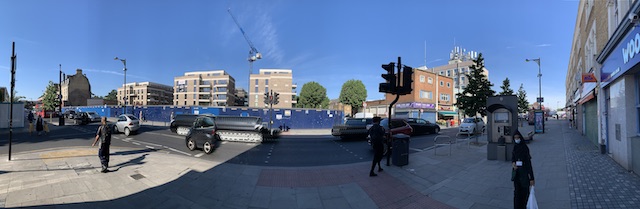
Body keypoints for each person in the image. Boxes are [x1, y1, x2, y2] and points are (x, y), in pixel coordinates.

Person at [512, 130, 535, 209]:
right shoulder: (515, 147)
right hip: (517, 174)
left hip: (524, 174)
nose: (516, 139)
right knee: (517, 193)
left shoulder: (524, 148)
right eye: (515, 138)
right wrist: (513, 164)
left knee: (524, 193)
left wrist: (531, 178)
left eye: (518, 138)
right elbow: (513, 159)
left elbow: (529, 164)